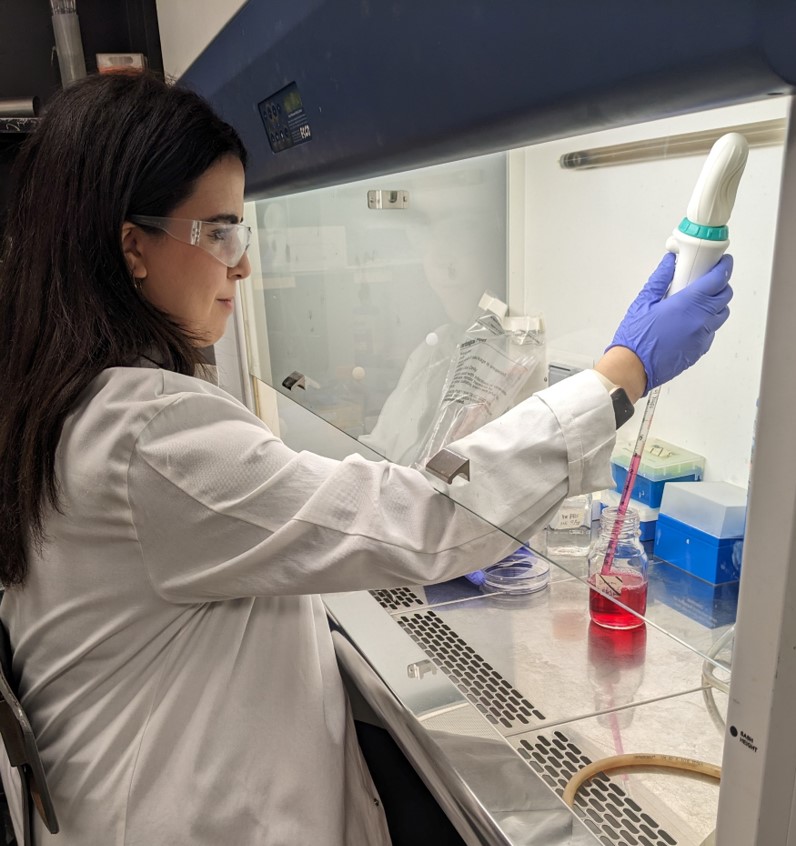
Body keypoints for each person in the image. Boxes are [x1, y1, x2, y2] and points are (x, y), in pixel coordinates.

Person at [0, 72, 732, 846]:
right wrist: (624, 373)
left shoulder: (59, 401)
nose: (242, 267)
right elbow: (428, 518)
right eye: (218, 233)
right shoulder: (144, 435)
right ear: (132, 247)